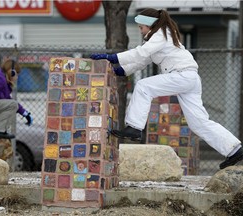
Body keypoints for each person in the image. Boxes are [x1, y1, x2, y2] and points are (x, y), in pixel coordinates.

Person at [90, 8, 243, 170]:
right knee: (198, 123)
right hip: (188, 79)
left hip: (182, 76)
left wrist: (111, 57)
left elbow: (141, 53)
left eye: (141, 27)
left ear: (150, 25)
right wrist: (117, 70)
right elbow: (141, 61)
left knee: (143, 86)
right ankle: (234, 150)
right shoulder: (158, 39)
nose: (141, 31)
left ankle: (134, 128)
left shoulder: (162, 33)